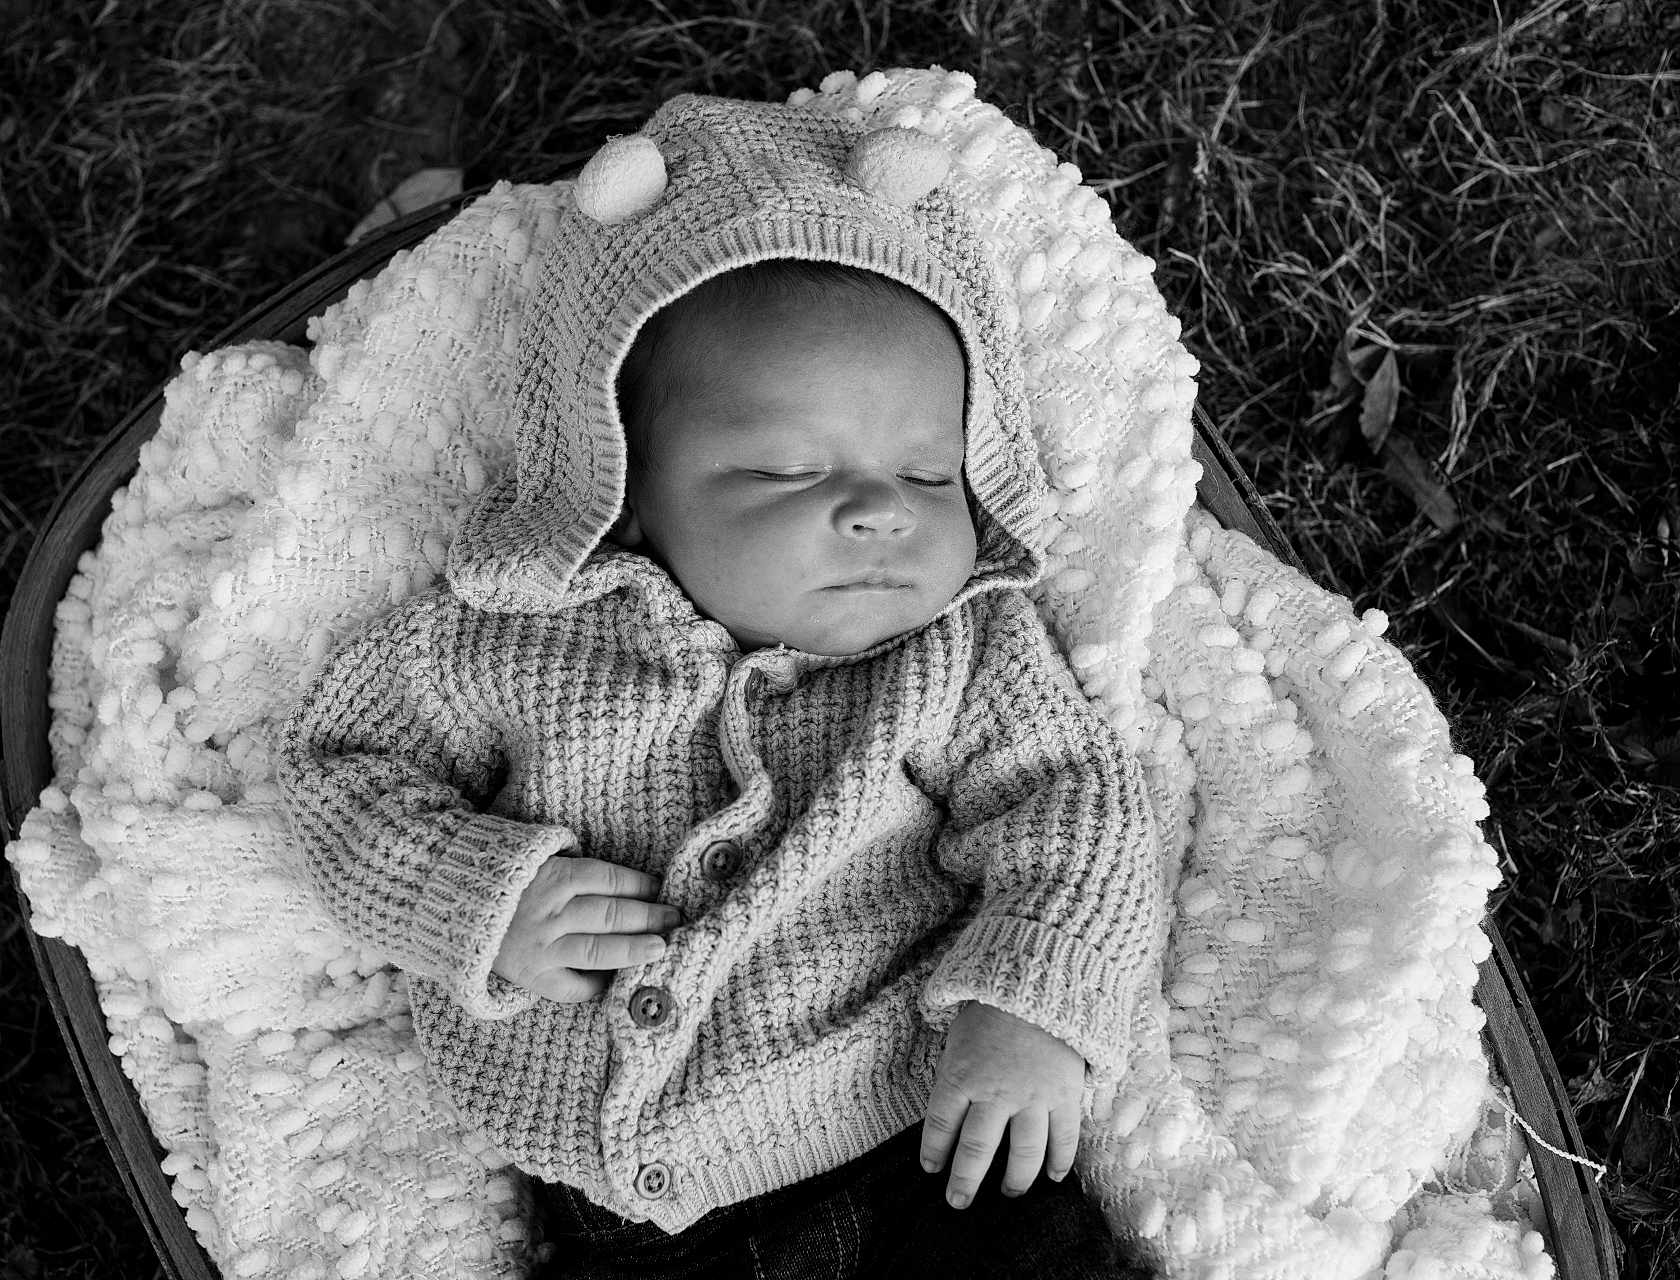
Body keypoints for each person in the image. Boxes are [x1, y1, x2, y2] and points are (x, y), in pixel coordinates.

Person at [276, 91, 1163, 1279]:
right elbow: (336, 777)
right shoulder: (505, 640)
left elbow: (1079, 808)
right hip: (628, 1206)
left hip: (920, 1146)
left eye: (927, 468)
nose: (879, 508)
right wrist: (481, 901)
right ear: (623, 482)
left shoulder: (964, 652)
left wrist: (1034, 1004)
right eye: (789, 468)